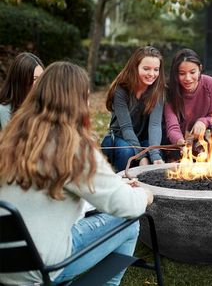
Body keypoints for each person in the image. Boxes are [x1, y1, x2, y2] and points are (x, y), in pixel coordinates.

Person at [0, 61, 153, 285]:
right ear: (78, 101)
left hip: (5, 264)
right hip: (42, 269)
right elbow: (126, 206)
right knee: (130, 221)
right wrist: (143, 196)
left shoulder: (11, 137)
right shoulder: (71, 148)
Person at [101, 46, 166, 171]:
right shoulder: (121, 90)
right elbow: (126, 128)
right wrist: (141, 156)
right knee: (127, 151)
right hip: (119, 138)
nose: (152, 74)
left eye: (156, 70)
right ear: (135, 67)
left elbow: (155, 125)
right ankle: (123, 184)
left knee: (157, 153)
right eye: (146, 69)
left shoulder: (158, 91)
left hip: (143, 139)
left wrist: (155, 155)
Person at [163, 48, 212, 160]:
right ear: (176, 73)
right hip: (173, 142)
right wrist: (181, 143)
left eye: (192, 72)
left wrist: (203, 121)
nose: (188, 78)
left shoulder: (209, 83)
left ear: (200, 69)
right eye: (182, 73)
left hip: (198, 140)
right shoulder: (169, 89)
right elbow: (172, 127)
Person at [0, 52, 44, 129]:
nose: (39, 83)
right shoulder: (3, 111)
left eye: (41, 78)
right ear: (20, 80)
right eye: (34, 78)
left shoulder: (43, 107)